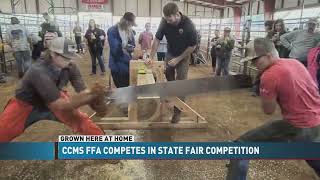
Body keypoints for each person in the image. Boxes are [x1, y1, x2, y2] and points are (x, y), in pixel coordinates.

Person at [227, 38, 320, 180]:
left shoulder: (270, 75)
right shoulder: (295, 62)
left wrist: (267, 92)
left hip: (296, 125)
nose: (254, 64)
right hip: (317, 121)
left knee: (240, 147)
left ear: (269, 55)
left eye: (256, 60)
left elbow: (268, 110)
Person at [0, 37, 106, 142]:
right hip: (25, 104)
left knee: (79, 119)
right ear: (53, 54)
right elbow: (60, 106)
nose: (69, 61)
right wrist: (86, 98)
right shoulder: (38, 71)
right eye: (65, 57)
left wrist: (92, 95)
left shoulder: (71, 66)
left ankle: (104, 143)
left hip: (53, 96)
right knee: (3, 132)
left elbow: (81, 90)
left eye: (71, 58)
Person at [146, 2, 197, 123]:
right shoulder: (164, 21)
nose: (167, 22)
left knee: (181, 83)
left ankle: (177, 111)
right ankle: (173, 93)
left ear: (176, 15)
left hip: (184, 56)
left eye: (170, 20)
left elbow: (193, 46)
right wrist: (151, 57)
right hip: (170, 53)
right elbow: (157, 40)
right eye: (166, 19)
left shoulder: (189, 25)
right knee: (168, 74)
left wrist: (179, 59)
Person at [107, 12, 136, 88]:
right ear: (126, 22)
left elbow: (133, 45)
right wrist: (126, 50)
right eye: (130, 24)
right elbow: (116, 50)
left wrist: (129, 48)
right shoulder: (112, 31)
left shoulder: (130, 31)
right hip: (117, 64)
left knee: (127, 85)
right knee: (121, 87)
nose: (131, 26)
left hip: (127, 63)